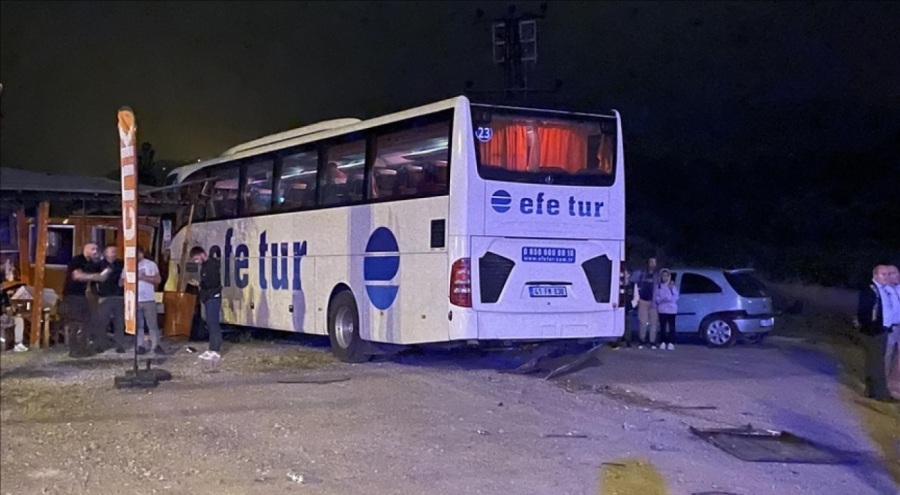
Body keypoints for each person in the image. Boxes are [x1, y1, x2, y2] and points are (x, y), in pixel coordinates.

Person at [62, 243, 110, 357]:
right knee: (76, 323)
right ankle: (74, 350)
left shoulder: (92, 263)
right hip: (74, 295)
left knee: (87, 322)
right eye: (93, 249)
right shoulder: (77, 260)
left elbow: (103, 274)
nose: (95, 251)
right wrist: (96, 276)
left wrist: (106, 270)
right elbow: (77, 276)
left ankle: (83, 347)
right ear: (86, 249)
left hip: (86, 296)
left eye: (97, 249)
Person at [856, 264, 895, 402]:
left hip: (881, 330)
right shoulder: (870, 290)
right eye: (882, 274)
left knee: (873, 362)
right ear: (875, 275)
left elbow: (885, 310)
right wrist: (871, 328)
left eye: (887, 274)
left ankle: (871, 391)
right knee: (878, 363)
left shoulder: (883, 290)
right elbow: (864, 312)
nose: (886, 277)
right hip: (874, 332)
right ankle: (882, 394)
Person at [188, 246, 223, 361]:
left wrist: (200, 284)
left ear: (202, 254)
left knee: (213, 324)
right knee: (210, 323)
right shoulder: (205, 266)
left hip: (213, 297)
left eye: (196, 258)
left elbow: (212, 282)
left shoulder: (211, 266)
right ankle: (211, 348)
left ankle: (215, 350)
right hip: (208, 298)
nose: (196, 261)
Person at [127, 246, 163, 355]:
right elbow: (122, 281)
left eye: (138, 253)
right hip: (135, 299)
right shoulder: (129, 264)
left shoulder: (150, 265)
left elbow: (158, 280)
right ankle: (140, 345)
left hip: (148, 299)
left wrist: (143, 278)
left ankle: (155, 345)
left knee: (152, 324)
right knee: (139, 325)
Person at [93, 246, 126, 353]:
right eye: (111, 251)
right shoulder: (99, 265)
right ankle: (100, 345)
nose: (114, 253)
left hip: (119, 296)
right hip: (104, 296)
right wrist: (96, 294)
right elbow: (94, 280)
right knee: (102, 322)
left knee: (119, 322)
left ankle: (119, 345)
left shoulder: (121, 264)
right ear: (105, 253)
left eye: (115, 251)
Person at [630, 257, 660, 349]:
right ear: (647, 263)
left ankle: (652, 342)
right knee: (642, 322)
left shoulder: (658, 275)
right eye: (651, 262)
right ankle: (641, 341)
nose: (652, 264)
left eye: (654, 262)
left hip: (654, 302)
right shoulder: (641, 274)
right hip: (643, 301)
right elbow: (632, 280)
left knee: (653, 323)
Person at [655, 268, 679, 351]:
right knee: (663, 327)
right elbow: (657, 298)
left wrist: (668, 297)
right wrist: (662, 299)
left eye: (666, 276)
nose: (664, 278)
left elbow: (675, 297)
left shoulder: (673, 286)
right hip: (662, 309)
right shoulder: (658, 286)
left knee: (671, 326)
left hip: (671, 310)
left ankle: (671, 342)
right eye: (663, 276)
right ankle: (663, 342)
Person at [883, 264, 900, 382]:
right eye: (892, 273)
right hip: (890, 327)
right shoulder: (883, 290)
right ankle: (884, 379)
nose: (896, 275)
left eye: (897, 272)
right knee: (887, 354)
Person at [0, 288, 27, 352]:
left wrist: (13, 311)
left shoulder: (4, 294)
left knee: (19, 320)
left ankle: (18, 344)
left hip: (3, 317)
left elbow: (8, 308)